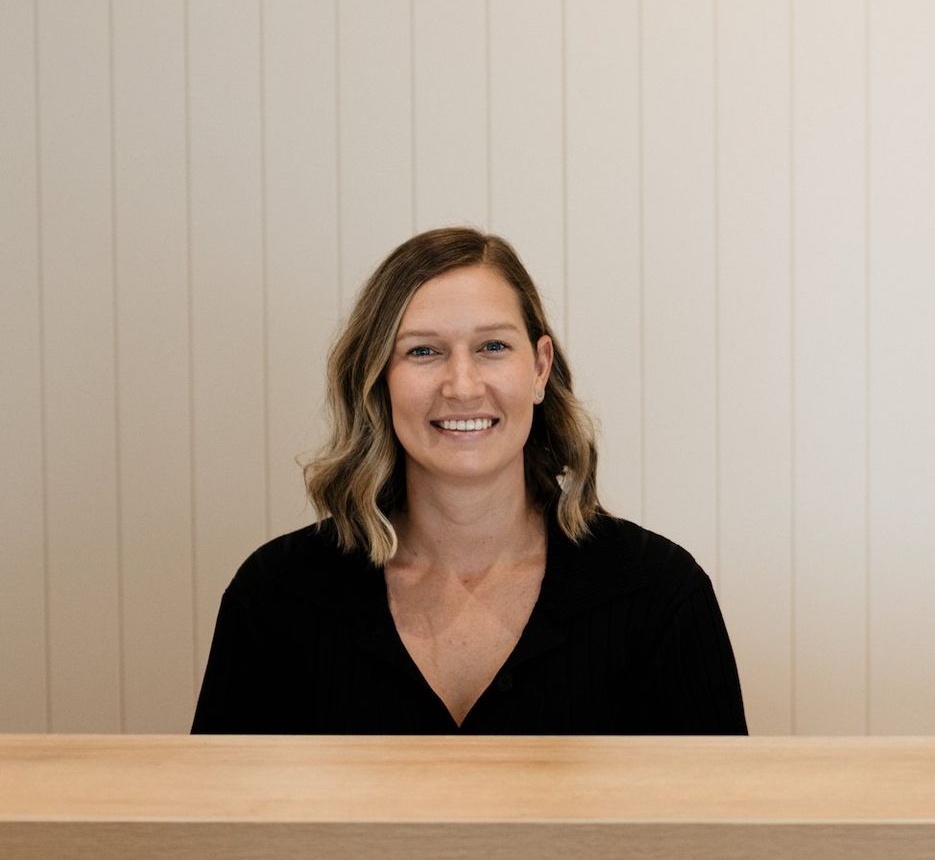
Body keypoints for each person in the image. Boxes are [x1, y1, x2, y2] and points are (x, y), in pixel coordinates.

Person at [191, 227, 747, 735]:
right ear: (378, 379)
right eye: (424, 351)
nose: (462, 386)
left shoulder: (659, 593)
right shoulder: (277, 595)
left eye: (493, 347)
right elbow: (214, 837)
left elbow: (725, 838)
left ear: (539, 368)